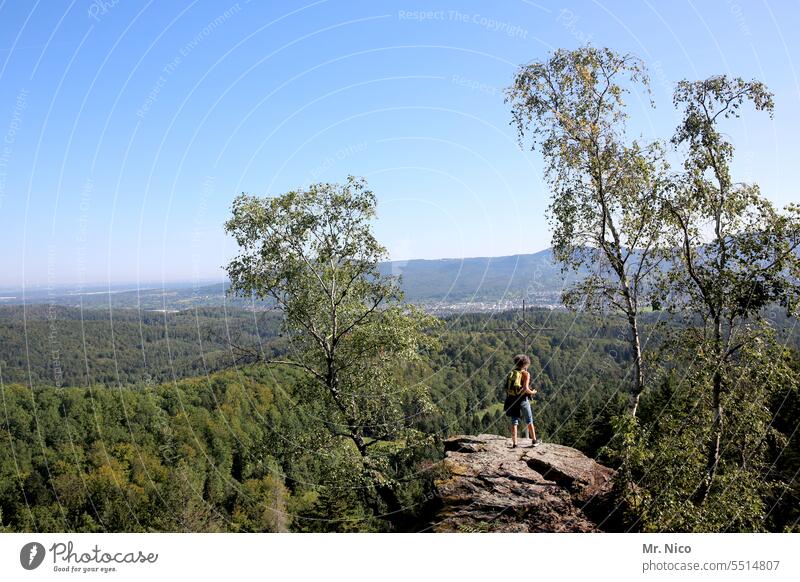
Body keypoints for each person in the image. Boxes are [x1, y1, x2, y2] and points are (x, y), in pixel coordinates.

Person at [503, 354, 540, 448]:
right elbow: (525, 389)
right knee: (529, 420)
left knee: (514, 421)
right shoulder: (526, 374)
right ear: (526, 364)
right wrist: (533, 392)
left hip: (512, 399)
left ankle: (515, 443)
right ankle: (534, 441)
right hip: (523, 400)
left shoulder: (512, 373)